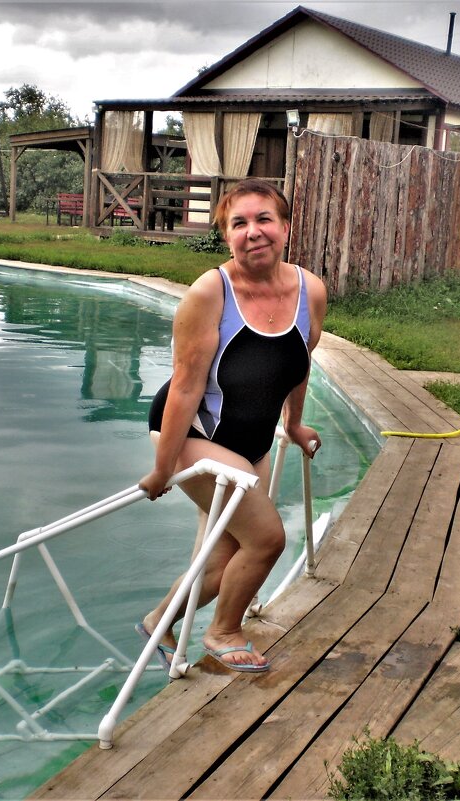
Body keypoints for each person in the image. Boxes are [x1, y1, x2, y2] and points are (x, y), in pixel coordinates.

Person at [137, 178, 327, 673]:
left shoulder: (310, 290)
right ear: (227, 237)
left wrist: (297, 424)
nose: (252, 232)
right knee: (266, 539)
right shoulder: (210, 292)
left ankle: (158, 619)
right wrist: (162, 471)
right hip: (193, 436)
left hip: (252, 443)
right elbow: (183, 389)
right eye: (238, 224)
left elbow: (297, 365)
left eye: (263, 219)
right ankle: (223, 631)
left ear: (285, 228)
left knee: (225, 558)